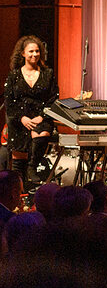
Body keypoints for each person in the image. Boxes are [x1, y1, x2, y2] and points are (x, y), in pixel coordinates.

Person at [4, 36, 59, 184]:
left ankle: (32, 167)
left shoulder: (48, 74)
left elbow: (53, 99)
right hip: (20, 119)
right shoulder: (14, 75)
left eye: (37, 51)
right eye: (31, 51)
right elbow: (9, 102)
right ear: (23, 53)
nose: (35, 54)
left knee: (42, 132)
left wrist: (42, 116)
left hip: (41, 116)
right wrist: (22, 118)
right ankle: (18, 193)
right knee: (18, 159)